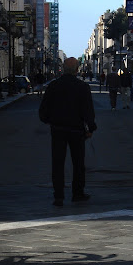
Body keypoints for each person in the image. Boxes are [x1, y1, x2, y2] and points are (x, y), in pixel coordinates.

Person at [39, 57, 97, 207]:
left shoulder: (53, 86)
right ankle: (77, 193)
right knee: (78, 163)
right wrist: (90, 128)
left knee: (57, 163)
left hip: (58, 129)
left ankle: (58, 196)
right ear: (77, 69)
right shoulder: (82, 87)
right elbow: (88, 111)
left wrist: (50, 121)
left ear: (63, 69)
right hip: (77, 130)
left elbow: (43, 112)